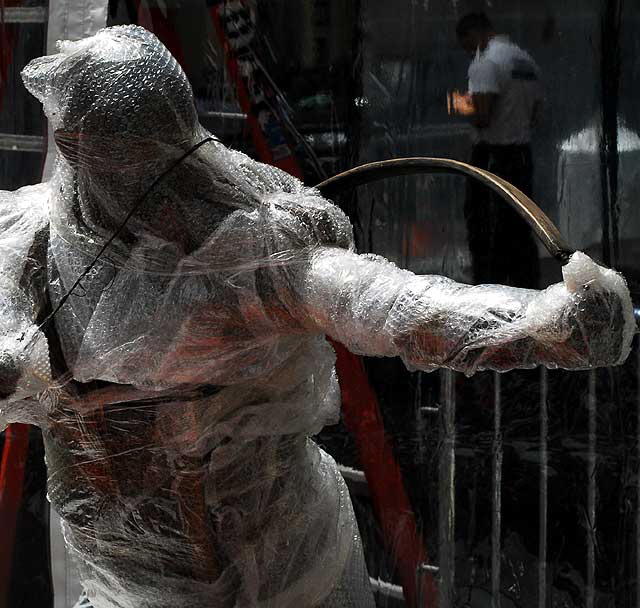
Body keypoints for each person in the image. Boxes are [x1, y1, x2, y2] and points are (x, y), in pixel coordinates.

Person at [0, 26, 634, 608]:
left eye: (151, 151)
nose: (145, 184)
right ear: (74, 143)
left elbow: (391, 307)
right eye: (121, 152)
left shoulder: (243, 250)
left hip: (278, 578)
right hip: (123, 587)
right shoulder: (31, 245)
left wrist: (546, 326)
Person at [453, 12, 542, 288]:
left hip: (492, 157)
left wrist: (460, 104)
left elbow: (482, 116)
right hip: (522, 155)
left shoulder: (485, 63)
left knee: (485, 231)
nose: (469, 52)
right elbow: (537, 113)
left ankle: (490, 292)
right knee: (519, 227)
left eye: (467, 45)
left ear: (475, 34)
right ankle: (525, 289)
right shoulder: (526, 61)